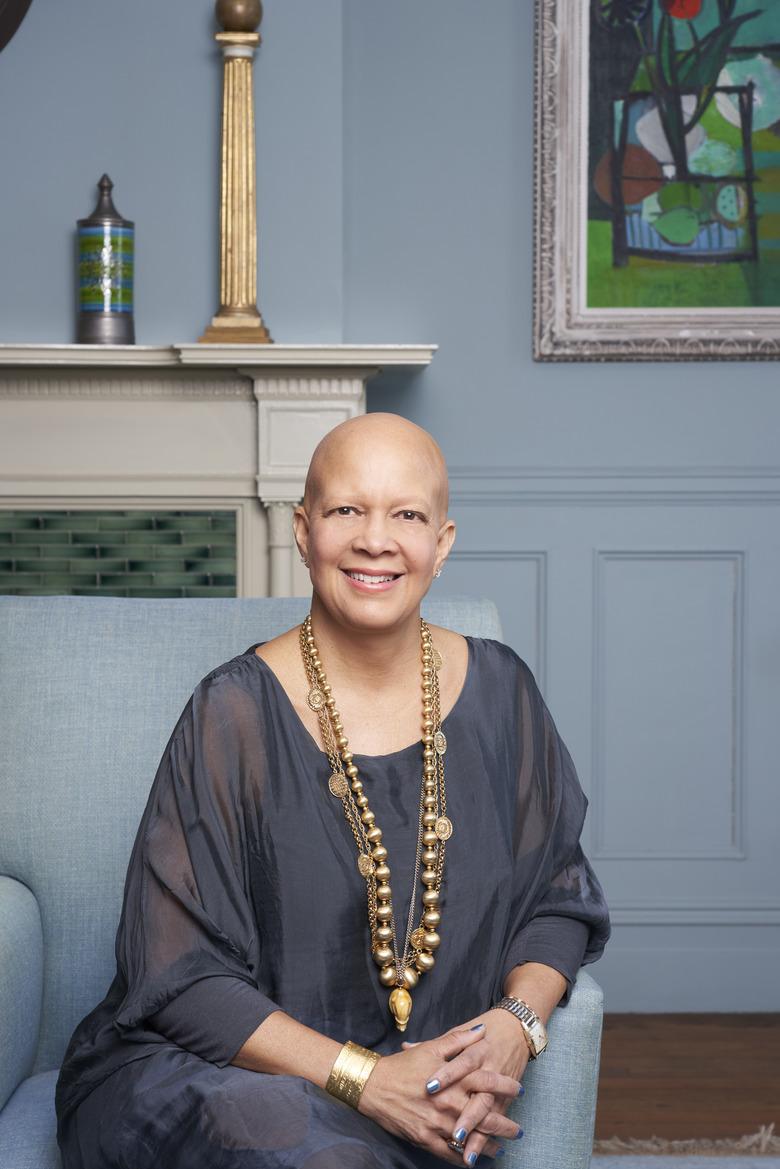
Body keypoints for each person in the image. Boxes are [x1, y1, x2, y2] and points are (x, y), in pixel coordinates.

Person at [55, 413, 610, 1169]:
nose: (374, 538)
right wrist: (370, 1079)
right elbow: (180, 978)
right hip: (217, 1075)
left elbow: (558, 898)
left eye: (406, 514)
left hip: (418, 1083)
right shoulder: (234, 711)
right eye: (347, 509)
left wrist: (515, 1028)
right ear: (303, 529)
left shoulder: (503, 690)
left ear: (441, 544)